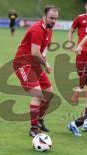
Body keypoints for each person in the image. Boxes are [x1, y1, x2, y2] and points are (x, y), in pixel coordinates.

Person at [13, 5, 58, 137]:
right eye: (51, 18)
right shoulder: (37, 29)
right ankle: (33, 129)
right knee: (38, 94)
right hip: (24, 64)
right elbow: (34, 52)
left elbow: (43, 50)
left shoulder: (49, 29)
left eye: (55, 18)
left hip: (36, 64)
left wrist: (44, 61)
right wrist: (46, 64)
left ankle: (38, 120)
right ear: (44, 17)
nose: (54, 21)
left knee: (49, 94)